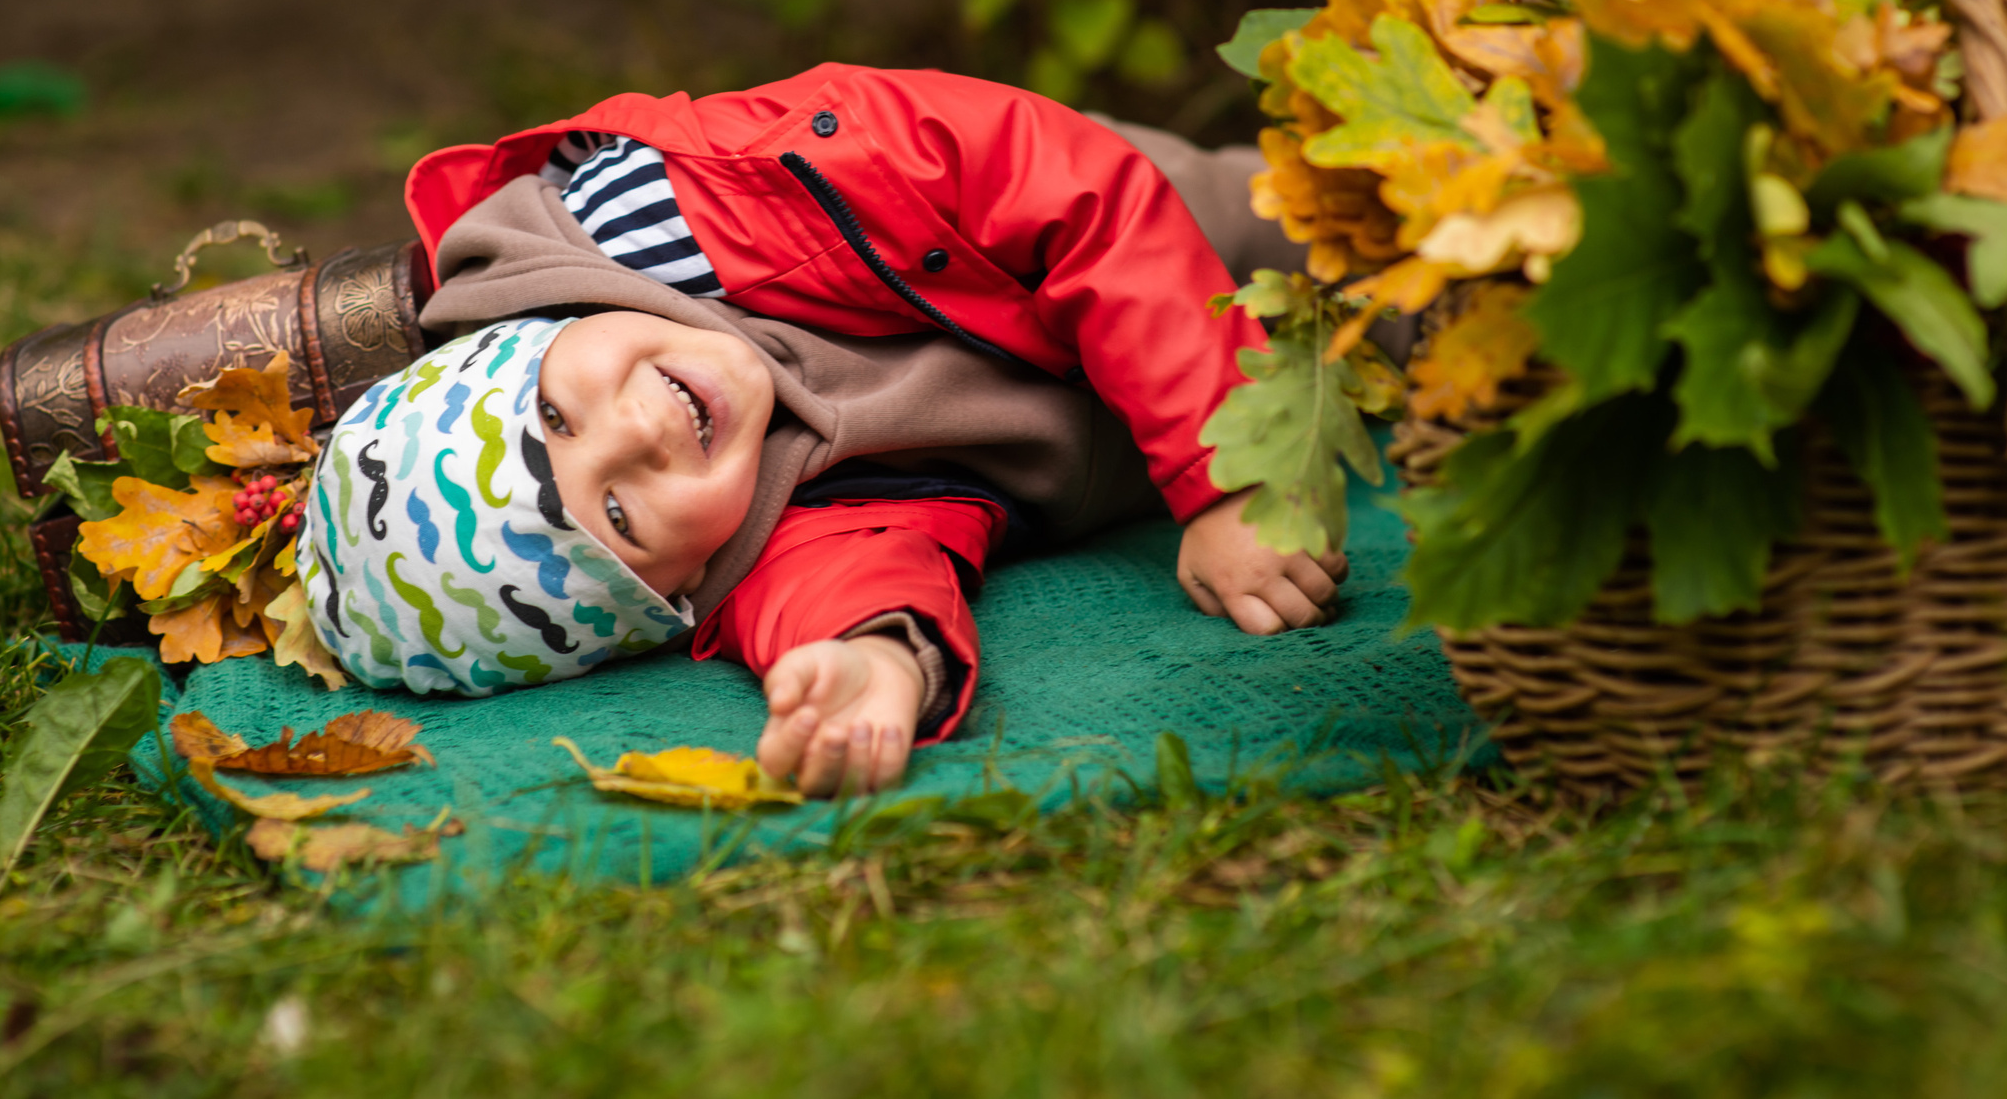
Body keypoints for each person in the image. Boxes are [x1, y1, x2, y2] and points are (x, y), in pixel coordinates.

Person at [300, 64, 1350, 796]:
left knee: (1354, 222)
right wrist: (867, 665)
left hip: (1175, 234)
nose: (639, 428)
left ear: (527, 336)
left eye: (554, 410)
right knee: (1407, 365)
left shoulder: (705, 197)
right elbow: (833, 578)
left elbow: (1052, 180)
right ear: (666, 590)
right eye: (615, 509)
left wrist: (1228, 473)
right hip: (1237, 382)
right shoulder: (750, 522)